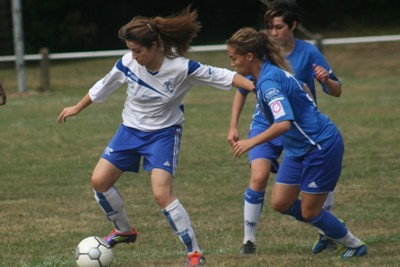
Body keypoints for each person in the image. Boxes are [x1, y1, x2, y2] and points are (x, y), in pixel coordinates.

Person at [57, 7, 254, 267]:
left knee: (162, 194)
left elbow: (225, 76)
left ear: (154, 45)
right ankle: (124, 230)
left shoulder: (182, 68)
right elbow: (104, 85)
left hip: (163, 135)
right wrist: (77, 107)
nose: (133, 56)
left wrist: (259, 86)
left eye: (138, 50)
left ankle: (195, 253)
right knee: (99, 182)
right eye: (130, 50)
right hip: (129, 131)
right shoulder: (127, 62)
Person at [226, 27, 367, 259]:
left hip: (319, 145)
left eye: (233, 58)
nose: (232, 64)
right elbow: (299, 89)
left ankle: (353, 243)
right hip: (298, 148)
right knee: (281, 203)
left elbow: (284, 124)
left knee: (310, 212)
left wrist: (251, 142)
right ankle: (330, 224)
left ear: (249, 56)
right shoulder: (266, 75)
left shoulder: (269, 82)